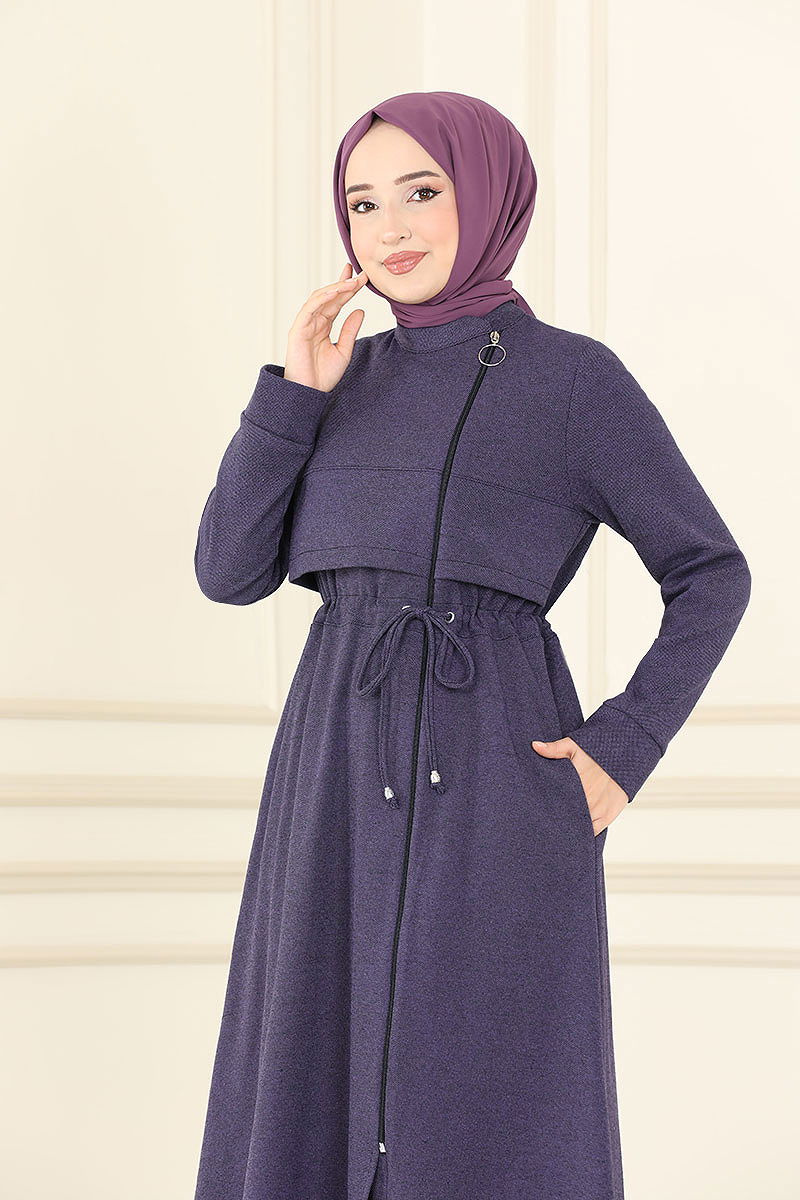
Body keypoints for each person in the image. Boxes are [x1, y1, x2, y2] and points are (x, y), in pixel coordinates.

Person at [192, 91, 751, 1200]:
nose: (390, 228)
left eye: (421, 191)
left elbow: (709, 572)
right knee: (312, 1062)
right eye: (362, 204)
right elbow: (227, 570)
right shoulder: (336, 381)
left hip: (499, 781)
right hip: (333, 775)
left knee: (487, 1085)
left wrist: (621, 749)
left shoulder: (575, 383)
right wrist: (292, 396)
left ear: (489, 196)